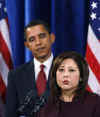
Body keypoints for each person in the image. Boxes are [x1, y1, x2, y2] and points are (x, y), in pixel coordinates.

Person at [5, 20, 55, 117]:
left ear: (52, 38)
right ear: (27, 45)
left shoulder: (68, 70)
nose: (38, 43)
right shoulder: (15, 76)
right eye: (32, 39)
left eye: (42, 36)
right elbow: (10, 114)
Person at [37, 51, 100, 117]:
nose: (65, 75)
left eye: (71, 70)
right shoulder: (46, 105)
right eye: (61, 70)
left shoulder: (95, 103)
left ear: (81, 76)